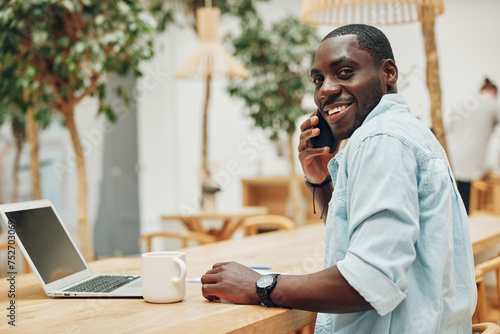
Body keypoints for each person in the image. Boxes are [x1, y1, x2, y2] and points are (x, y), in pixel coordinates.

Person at [201, 24, 476, 333]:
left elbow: (371, 282)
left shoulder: (380, 140)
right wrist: (320, 182)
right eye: (318, 79)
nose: (326, 90)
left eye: (344, 72)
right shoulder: (403, 131)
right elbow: (361, 244)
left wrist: (259, 285)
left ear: (389, 73)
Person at [446, 78, 500, 214]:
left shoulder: (464, 102)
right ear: (494, 92)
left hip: (449, 160)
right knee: (466, 211)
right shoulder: (492, 103)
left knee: (453, 208)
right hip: (470, 167)